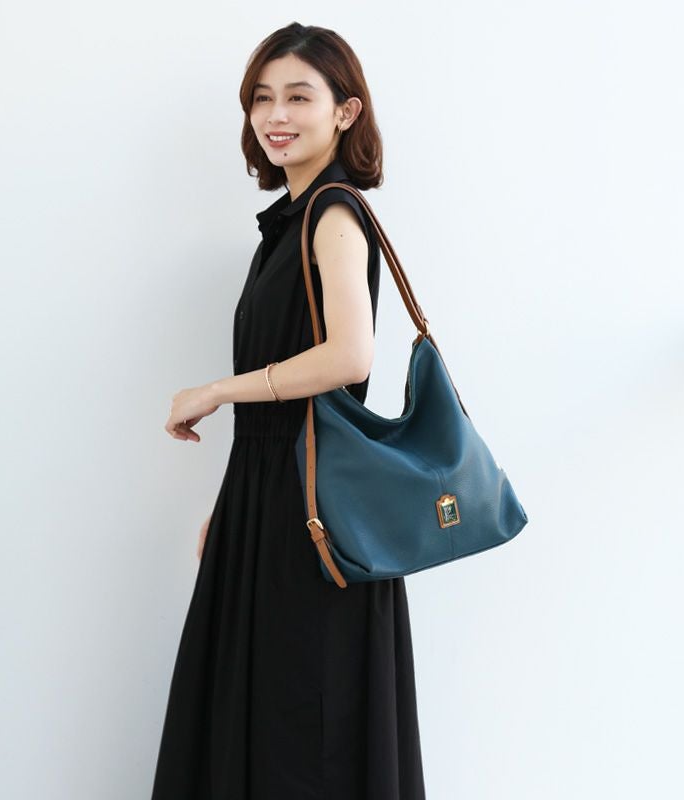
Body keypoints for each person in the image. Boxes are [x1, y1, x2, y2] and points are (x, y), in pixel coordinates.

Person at [151, 22, 426, 799]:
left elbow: (350, 357)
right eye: (262, 98)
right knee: (270, 711)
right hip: (271, 496)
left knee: (302, 725)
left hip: (312, 509)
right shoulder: (288, 223)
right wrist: (231, 505)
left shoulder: (334, 213)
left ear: (345, 111)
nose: (275, 115)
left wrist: (217, 390)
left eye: (299, 97)